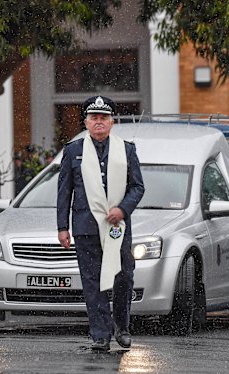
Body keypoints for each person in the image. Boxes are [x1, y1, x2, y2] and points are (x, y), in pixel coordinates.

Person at [57, 96, 145, 352]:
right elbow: (64, 192)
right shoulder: (73, 150)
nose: (99, 123)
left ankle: (122, 326)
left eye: (103, 118)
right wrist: (62, 227)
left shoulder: (127, 149)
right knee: (92, 282)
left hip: (117, 227)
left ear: (112, 122)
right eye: (94, 118)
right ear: (86, 122)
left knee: (123, 278)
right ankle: (100, 333)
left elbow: (137, 186)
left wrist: (123, 209)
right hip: (86, 226)